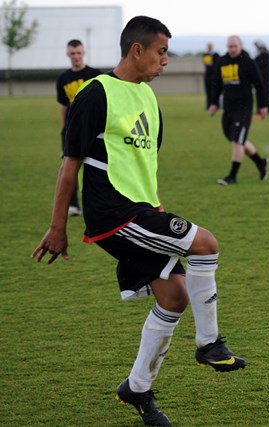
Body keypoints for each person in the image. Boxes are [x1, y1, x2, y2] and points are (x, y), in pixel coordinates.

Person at [32, 16, 247, 427]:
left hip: (144, 211)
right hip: (113, 212)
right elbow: (69, 164)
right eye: (161, 51)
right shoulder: (96, 94)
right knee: (207, 243)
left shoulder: (149, 98)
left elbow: (145, 167)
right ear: (137, 50)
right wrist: (58, 226)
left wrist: (160, 214)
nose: (165, 60)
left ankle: (137, 388)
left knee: (174, 296)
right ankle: (208, 343)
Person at [209, 35, 269, 185]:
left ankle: (232, 176)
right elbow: (216, 84)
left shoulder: (248, 62)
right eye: (230, 46)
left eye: (235, 46)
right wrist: (214, 103)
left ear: (241, 46)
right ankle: (260, 162)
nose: (232, 49)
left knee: (237, 140)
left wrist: (263, 105)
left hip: (244, 108)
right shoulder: (222, 62)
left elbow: (259, 84)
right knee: (236, 139)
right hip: (228, 108)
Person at [56, 39, 102, 217]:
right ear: (68, 54)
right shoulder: (63, 79)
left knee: (95, 167)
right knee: (69, 167)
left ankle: (97, 205)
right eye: (72, 53)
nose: (75, 56)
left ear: (83, 53)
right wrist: (63, 128)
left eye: (78, 53)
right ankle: (72, 205)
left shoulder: (95, 75)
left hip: (92, 130)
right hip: (71, 131)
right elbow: (63, 105)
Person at [254, 39, 269, 114]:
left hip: (267, 79)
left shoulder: (267, 56)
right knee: (260, 93)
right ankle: (260, 109)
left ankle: (268, 109)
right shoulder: (258, 57)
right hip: (260, 79)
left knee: (268, 94)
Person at [203, 42, 220, 110]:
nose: (209, 47)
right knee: (208, 91)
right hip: (207, 76)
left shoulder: (216, 55)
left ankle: (216, 105)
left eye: (210, 46)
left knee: (215, 91)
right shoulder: (205, 54)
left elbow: (217, 65)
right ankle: (208, 105)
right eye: (208, 46)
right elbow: (206, 64)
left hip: (214, 76)